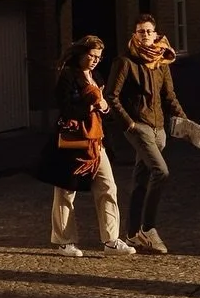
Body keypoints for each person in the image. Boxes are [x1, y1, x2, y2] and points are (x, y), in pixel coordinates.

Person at [41, 34, 138, 257]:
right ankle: (64, 241)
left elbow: (106, 108)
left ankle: (111, 241)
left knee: (107, 186)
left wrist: (104, 108)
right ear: (82, 53)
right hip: (73, 140)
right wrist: (92, 105)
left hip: (96, 140)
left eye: (99, 57)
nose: (95, 60)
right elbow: (66, 108)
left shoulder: (97, 76)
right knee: (66, 189)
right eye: (92, 55)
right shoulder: (67, 76)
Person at [104, 13, 189, 254]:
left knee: (141, 181)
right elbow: (112, 95)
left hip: (159, 128)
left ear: (156, 34)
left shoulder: (161, 62)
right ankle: (149, 228)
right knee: (160, 172)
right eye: (141, 32)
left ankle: (132, 235)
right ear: (135, 35)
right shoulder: (125, 62)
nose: (146, 35)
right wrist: (129, 124)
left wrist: (183, 119)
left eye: (149, 31)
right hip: (138, 127)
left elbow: (169, 95)